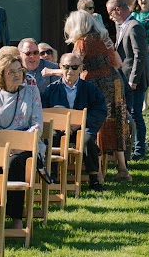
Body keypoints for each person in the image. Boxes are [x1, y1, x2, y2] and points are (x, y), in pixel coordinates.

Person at [0, 46, 43, 230]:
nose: (17, 75)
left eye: (19, 71)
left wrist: (19, 145)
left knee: (15, 163)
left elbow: (37, 125)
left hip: (26, 145)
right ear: (2, 74)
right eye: (12, 72)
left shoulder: (31, 91)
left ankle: (16, 217)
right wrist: (2, 148)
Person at [67, 8, 130, 183]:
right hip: (114, 81)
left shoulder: (82, 42)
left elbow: (72, 66)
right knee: (117, 122)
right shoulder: (105, 37)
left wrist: (51, 71)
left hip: (94, 83)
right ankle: (123, 169)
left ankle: (99, 173)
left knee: (97, 123)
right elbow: (118, 63)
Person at [42, 50, 109, 191]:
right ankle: (52, 175)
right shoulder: (51, 89)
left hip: (83, 127)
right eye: (66, 67)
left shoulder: (90, 89)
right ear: (60, 67)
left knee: (87, 140)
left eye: (74, 67)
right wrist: (60, 124)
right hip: (59, 128)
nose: (70, 71)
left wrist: (80, 123)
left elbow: (100, 110)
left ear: (81, 68)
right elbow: (43, 112)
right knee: (52, 137)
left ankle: (94, 179)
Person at [112, 0, 149, 166]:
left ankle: (140, 150)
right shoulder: (121, 26)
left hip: (135, 80)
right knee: (128, 114)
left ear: (118, 10)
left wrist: (133, 80)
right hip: (124, 78)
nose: (110, 17)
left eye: (111, 13)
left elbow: (140, 55)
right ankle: (131, 147)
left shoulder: (134, 26)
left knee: (135, 115)